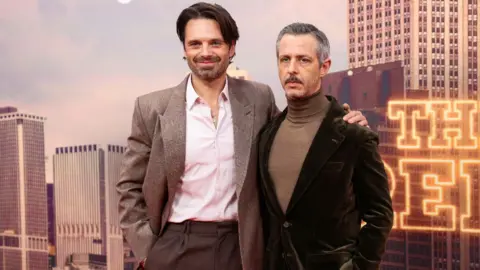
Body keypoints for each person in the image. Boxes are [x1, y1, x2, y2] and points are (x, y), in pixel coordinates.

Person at [116, 3, 369, 270]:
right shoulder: (151, 108)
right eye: (195, 44)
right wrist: (148, 249)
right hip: (175, 242)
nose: (205, 52)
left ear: (231, 47)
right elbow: (129, 186)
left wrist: (342, 122)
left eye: (215, 43)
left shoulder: (258, 98)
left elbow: (295, 135)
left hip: (242, 244)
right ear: (184, 49)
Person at [257, 23, 394, 270]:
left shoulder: (354, 134)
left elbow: (380, 216)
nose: (292, 69)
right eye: (285, 59)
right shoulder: (267, 134)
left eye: (303, 60)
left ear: (324, 67)